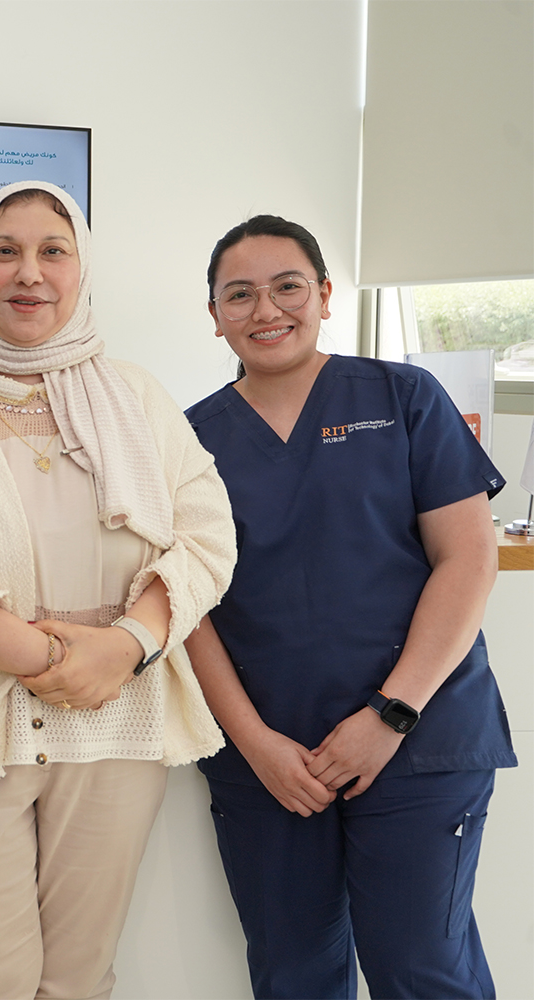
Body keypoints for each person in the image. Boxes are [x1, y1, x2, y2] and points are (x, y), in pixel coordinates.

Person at [0, 181, 237, 1000]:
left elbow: (209, 537)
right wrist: (38, 655)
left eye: (52, 251)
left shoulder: (138, 398)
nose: (29, 272)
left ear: (80, 269)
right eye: (6, 251)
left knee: (78, 976)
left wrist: (128, 644)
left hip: (113, 721)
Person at [183, 215, 517, 1000]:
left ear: (326, 295)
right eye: (240, 294)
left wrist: (390, 715)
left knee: (422, 969)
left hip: (419, 737)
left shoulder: (403, 397)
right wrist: (257, 744)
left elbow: (469, 559)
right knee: (292, 973)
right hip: (271, 759)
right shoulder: (189, 441)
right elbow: (188, 609)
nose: (267, 309)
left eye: (288, 286)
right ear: (215, 314)